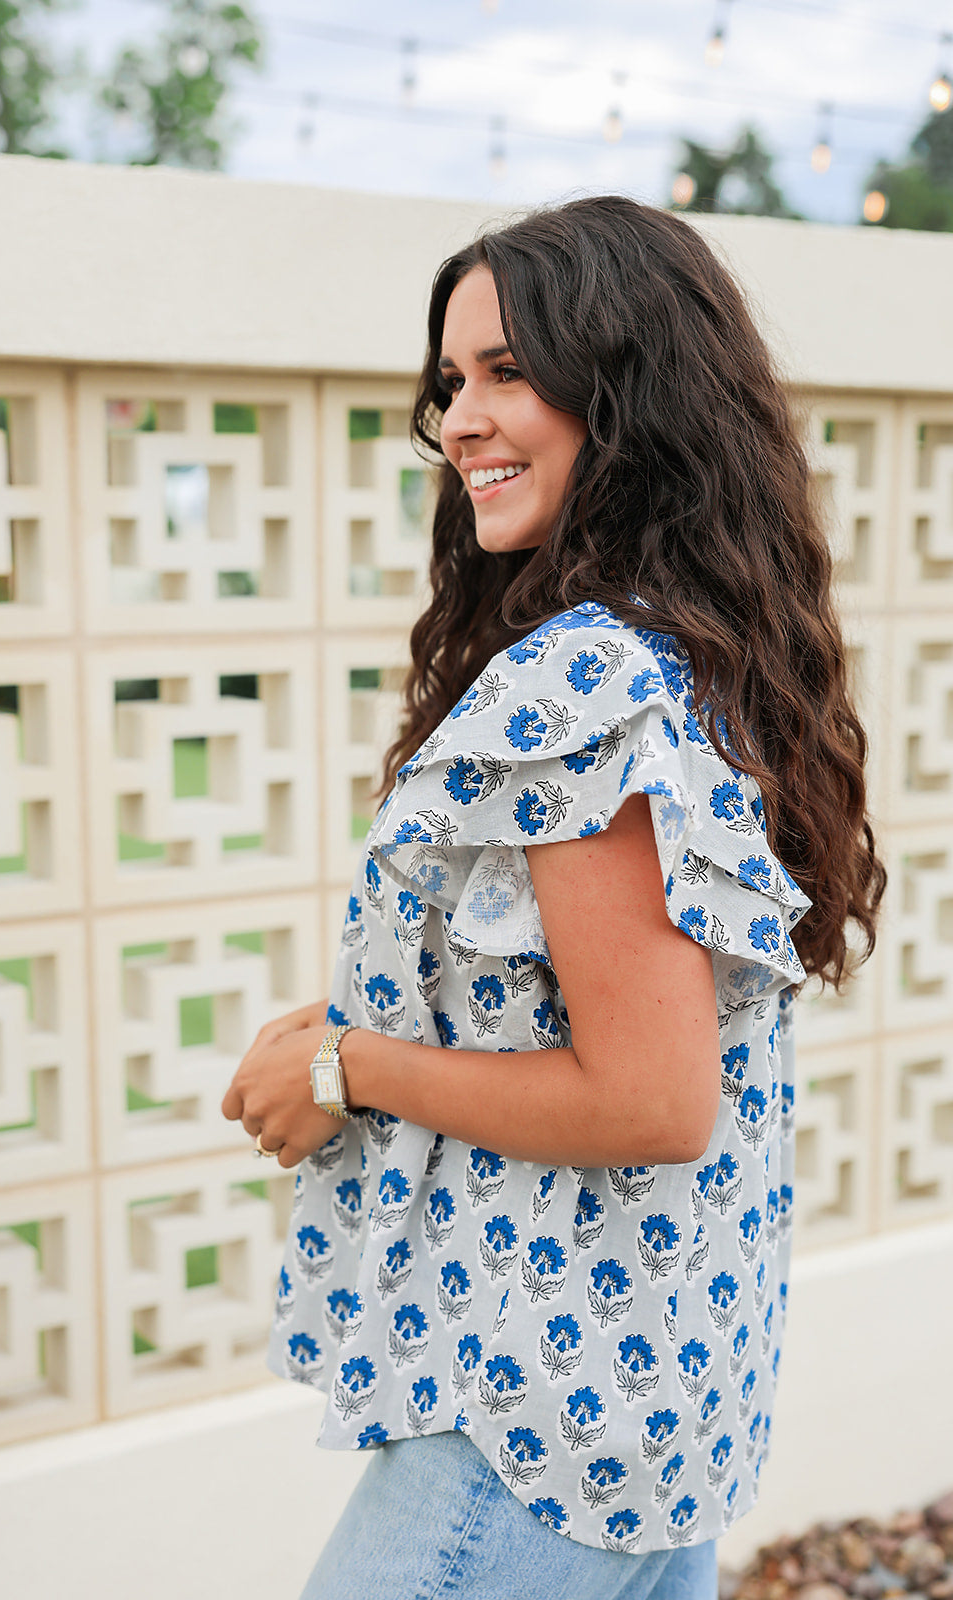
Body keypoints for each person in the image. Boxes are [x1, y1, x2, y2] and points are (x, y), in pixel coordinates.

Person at [221, 195, 885, 1600]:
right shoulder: (699, 662)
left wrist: (350, 1066)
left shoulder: (589, 683)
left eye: (509, 372)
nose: (461, 418)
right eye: (452, 381)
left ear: (628, 392)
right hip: (654, 1401)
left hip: (531, 1420)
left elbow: (650, 1095)